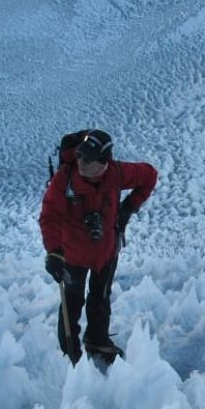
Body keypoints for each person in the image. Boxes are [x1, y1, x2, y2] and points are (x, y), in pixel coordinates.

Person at [39, 128, 157, 365]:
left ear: (104, 162)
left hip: (106, 252)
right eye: (80, 156)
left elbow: (149, 175)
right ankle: (69, 352)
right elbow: (49, 215)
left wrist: (128, 208)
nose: (81, 162)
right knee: (72, 302)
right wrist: (54, 251)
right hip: (72, 255)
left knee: (100, 298)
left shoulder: (118, 174)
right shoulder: (66, 177)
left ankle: (97, 341)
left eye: (88, 159)